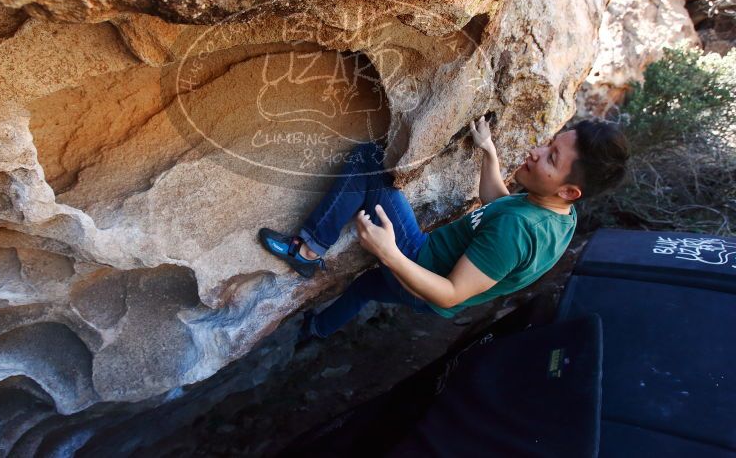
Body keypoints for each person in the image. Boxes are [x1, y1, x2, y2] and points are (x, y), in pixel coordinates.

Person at [258, 116, 629, 341]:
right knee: (363, 288)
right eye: (549, 143)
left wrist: (389, 252)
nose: (536, 151)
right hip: (426, 289)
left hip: (424, 269)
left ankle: (307, 250)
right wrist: (489, 153)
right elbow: (498, 205)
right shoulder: (560, 215)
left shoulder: (517, 233)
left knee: (370, 160)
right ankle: (317, 331)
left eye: (551, 157)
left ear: (568, 189)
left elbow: (450, 293)